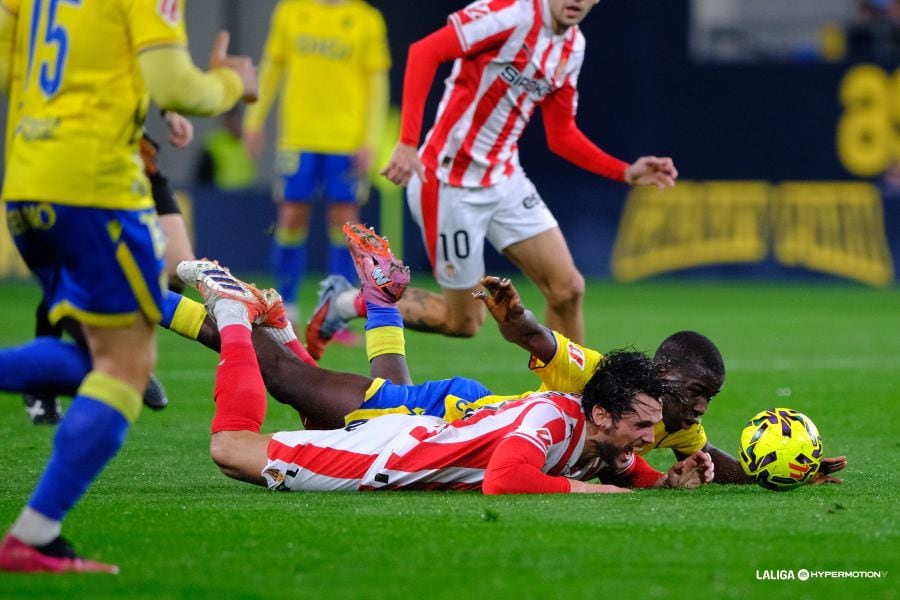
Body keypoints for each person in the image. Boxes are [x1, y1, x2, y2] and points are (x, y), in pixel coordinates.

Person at [0, 0, 257, 575]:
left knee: (101, 360)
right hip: (95, 189)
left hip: (26, 184)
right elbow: (178, 80)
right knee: (124, 371)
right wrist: (229, 83)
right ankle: (34, 537)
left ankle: (36, 537)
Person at [176, 243, 714, 494]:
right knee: (241, 437)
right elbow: (506, 480)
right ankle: (224, 311)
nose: (652, 438)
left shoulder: (608, 433)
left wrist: (670, 480)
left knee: (310, 404)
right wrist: (610, 495)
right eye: (643, 427)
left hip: (437, 427)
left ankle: (294, 318)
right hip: (398, 449)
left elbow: (623, 467)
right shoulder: (563, 412)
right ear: (603, 412)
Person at [306, 0, 678, 360]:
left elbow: (560, 133)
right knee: (463, 322)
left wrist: (623, 170)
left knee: (568, 290)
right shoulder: (509, 13)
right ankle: (344, 302)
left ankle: (570, 403)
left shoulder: (572, 47)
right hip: (449, 182)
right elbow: (424, 52)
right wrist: (407, 142)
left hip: (504, 178)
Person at [472, 275, 849, 485]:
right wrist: (515, 318)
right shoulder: (601, 373)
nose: (701, 408)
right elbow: (536, 339)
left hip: (511, 449)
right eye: (696, 393)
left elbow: (711, 462)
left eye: (710, 399)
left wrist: (789, 469)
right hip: (469, 414)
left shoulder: (678, 423)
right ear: (663, 375)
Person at [22, 114, 195, 425]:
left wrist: (169, 108)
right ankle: (42, 383)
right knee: (74, 266)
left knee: (176, 268)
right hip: (84, 151)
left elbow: (154, 68)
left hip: (135, 151)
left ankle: (121, 352)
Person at [242, 0, 391, 334]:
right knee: (292, 216)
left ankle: (334, 313)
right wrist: (254, 118)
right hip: (298, 138)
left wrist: (371, 139)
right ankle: (285, 307)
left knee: (345, 225)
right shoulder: (291, 11)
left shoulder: (366, 19)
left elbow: (377, 84)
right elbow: (271, 68)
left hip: (346, 140)